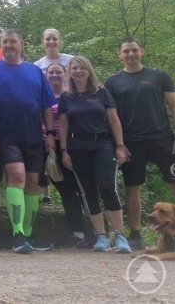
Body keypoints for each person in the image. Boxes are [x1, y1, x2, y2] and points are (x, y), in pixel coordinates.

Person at [0, 29, 56, 254]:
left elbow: (46, 105)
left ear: (21, 44)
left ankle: (28, 235)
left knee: (32, 184)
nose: (8, 45)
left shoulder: (35, 71)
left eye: (12, 42)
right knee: (17, 176)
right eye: (5, 42)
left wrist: (50, 133)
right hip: (6, 135)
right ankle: (17, 234)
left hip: (33, 135)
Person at [105, 38, 175, 250]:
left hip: (162, 138)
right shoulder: (113, 82)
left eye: (134, 50)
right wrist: (119, 143)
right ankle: (135, 234)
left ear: (142, 51)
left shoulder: (159, 76)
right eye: (126, 51)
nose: (131, 54)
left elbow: (174, 106)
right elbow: (111, 116)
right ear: (119, 54)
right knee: (132, 187)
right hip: (132, 142)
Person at [59, 56, 131, 253]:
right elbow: (63, 125)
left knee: (107, 187)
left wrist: (120, 145)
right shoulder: (66, 97)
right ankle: (101, 236)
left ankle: (120, 235)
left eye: (82, 68)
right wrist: (64, 151)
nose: (78, 71)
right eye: (75, 68)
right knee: (87, 191)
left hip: (102, 145)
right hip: (76, 147)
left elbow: (114, 120)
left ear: (89, 71)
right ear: (70, 72)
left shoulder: (101, 92)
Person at [42, 63, 94, 248]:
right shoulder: (42, 95)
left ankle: (89, 231)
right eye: (51, 72)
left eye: (58, 72)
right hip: (46, 145)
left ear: (65, 74)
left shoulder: (71, 95)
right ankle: (77, 231)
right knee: (64, 188)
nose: (54, 75)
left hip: (69, 145)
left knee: (79, 187)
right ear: (46, 75)